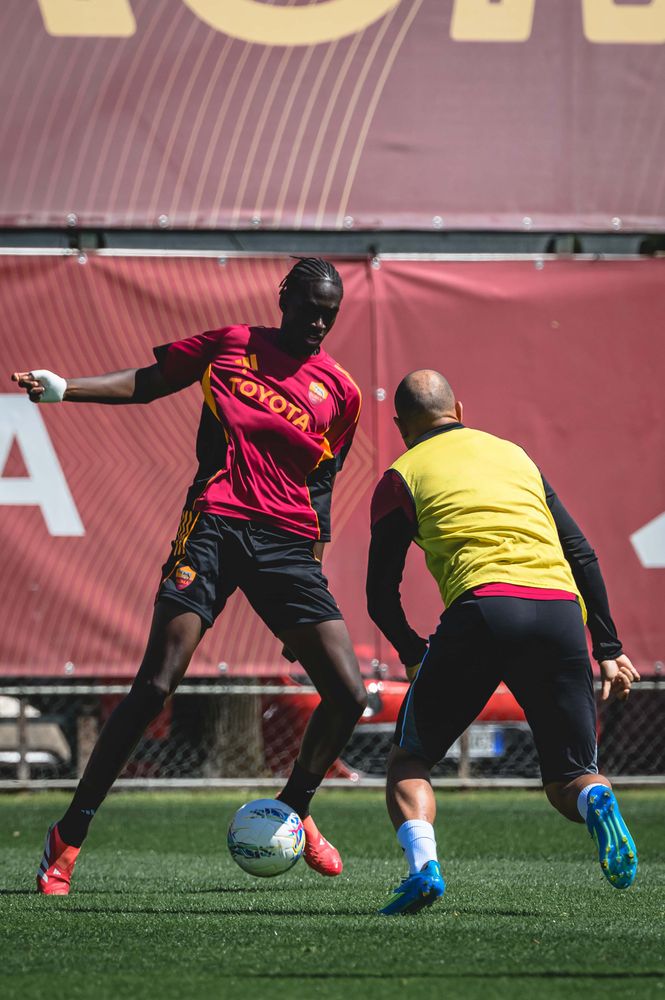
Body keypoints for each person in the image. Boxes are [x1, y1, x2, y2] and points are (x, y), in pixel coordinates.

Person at [12, 257, 368, 896]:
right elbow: (149, 382)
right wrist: (65, 388)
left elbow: (321, 486)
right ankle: (68, 837)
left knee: (348, 691)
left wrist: (311, 574)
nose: (319, 321)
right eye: (311, 307)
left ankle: (294, 808)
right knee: (156, 683)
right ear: (284, 300)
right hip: (214, 527)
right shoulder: (233, 345)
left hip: (287, 546)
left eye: (330, 313)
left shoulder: (341, 391)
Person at [366, 369, 640, 916]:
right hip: (560, 612)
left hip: (483, 610)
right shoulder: (515, 456)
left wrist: (412, 651)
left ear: (400, 426)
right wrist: (607, 646)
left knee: (410, 761)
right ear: (460, 410)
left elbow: (379, 592)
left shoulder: (400, 476)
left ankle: (424, 871)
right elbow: (581, 552)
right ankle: (597, 800)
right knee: (570, 778)